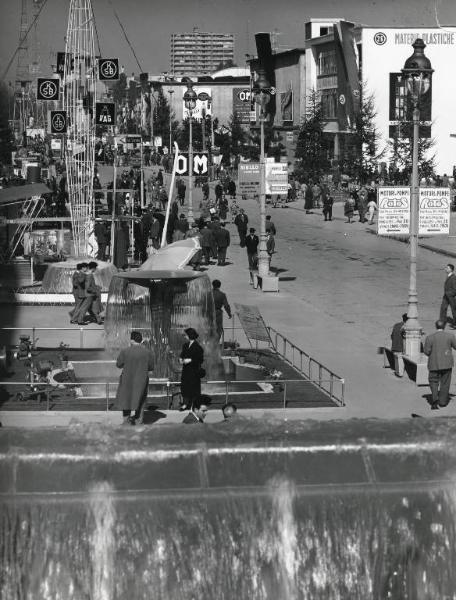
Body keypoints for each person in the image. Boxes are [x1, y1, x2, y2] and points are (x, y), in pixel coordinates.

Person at [115, 331, 155, 425]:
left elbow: (119, 364)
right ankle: (138, 420)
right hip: (141, 379)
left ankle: (126, 421)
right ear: (140, 340)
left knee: (126, 399)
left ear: (132, 340)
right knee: (141, 400)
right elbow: (151, 367)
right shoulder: (147, 352)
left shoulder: (125, 351)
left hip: (127, 379)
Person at [423, 320, 456, 409]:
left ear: (436, 326)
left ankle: (434, 399)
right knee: (445, 382)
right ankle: (442, 402)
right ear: (444, 326)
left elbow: (426, 352)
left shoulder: (430, 337)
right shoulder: (450, 336)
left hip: (434, 364)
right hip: (447, 363)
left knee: (433, 381)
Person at [179, 327, 205, 411]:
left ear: (190, 335)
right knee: (185, 387)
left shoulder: (198, 347)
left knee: (194, 388)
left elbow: (200, 360)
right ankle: (185, 404)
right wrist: (180, 359)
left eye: (185, 335)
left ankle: (194, 405)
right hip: (186, 370)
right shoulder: (185, 345)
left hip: (194, 371)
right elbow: (182, 355)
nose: (184, 336)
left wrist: (190, 360)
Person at [440, 264, 456, 328]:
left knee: (454, 310)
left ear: (451, 269)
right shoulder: (448, 276)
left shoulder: (453, 278)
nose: (446, 269)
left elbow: (455, 289)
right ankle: (441, 323)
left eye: (447, 268)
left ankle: (455, 323)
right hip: (446, 296)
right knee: (443, 308)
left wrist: (449, 294)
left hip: (451, 296)